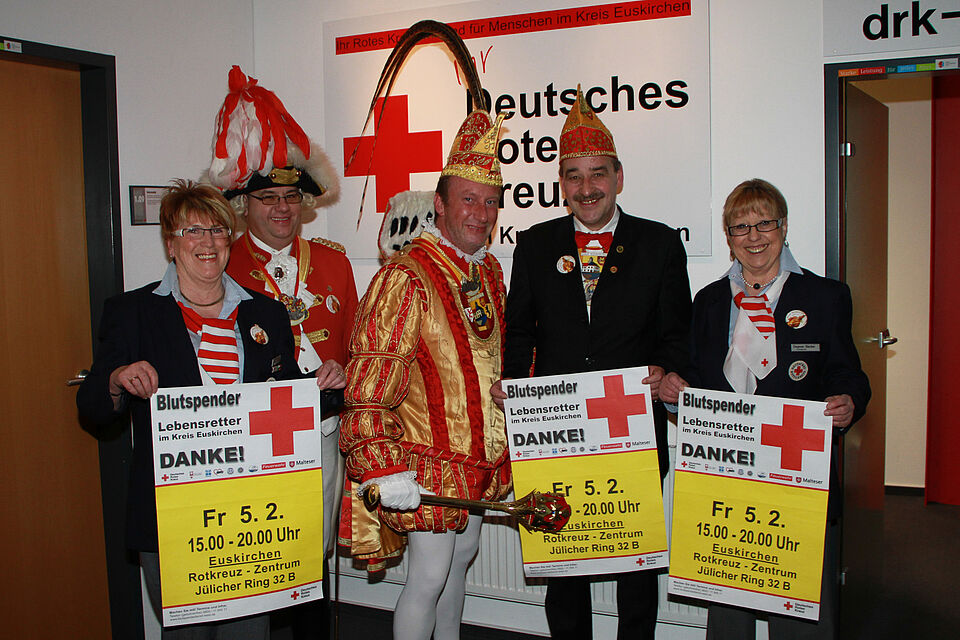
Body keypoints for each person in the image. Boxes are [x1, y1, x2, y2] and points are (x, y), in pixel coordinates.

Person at [494, 85, 692, 639]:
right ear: (561, 183)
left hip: (633, 426)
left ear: (619, 177)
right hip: (557, 428)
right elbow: (519, 331)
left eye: (597, 174)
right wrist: (513, 384)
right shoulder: (534, 245)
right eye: (574, 176)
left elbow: (676, 333)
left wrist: (664, 370)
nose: (587, 188)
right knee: (564, 561)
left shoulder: (659, 245)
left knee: (636, 563)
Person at [77, 180, 300, 639]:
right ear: (170, 243)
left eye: (217, 230)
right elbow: (93, 406)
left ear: (229, 240)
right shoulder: (132, 312)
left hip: (254, 514)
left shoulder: (266, 313)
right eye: (192, 231)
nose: (207, 242)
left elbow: (289, 393)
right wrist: (117, 379)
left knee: (249, 632)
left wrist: (325, 387)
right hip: (172, 515)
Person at [660, 178, 871, 639]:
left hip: (795, 476)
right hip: (724, 477)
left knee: (799, 613)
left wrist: (848, 400)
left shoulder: (826, 297)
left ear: (784, 227)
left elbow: (847, 373)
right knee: (728, 612)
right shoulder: (709, 301)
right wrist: (676, 386)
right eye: (740, 227)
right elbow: (694, 372)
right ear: (728, 236)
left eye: (764, 224)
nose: (753, 237)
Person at [339, 109, 511, 640]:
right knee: (429, 575)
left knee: (461, 561)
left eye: (490, 202)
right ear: (439, 203)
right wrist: (383, 468)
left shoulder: (488, 271)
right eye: (468, 199)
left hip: (477, 459)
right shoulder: (404, 276)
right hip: (425, 464)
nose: (481, 213)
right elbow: (368, 385)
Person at [207, 67, 358, 570]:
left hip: (324, 426)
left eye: (291, 197)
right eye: (267, 198)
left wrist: (345, 376)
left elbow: (356, 342)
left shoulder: (334, 262)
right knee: (261, 552)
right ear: (242, 204)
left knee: (315, 552)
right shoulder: (222, 265)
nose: (282, 208)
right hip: (253, 431)